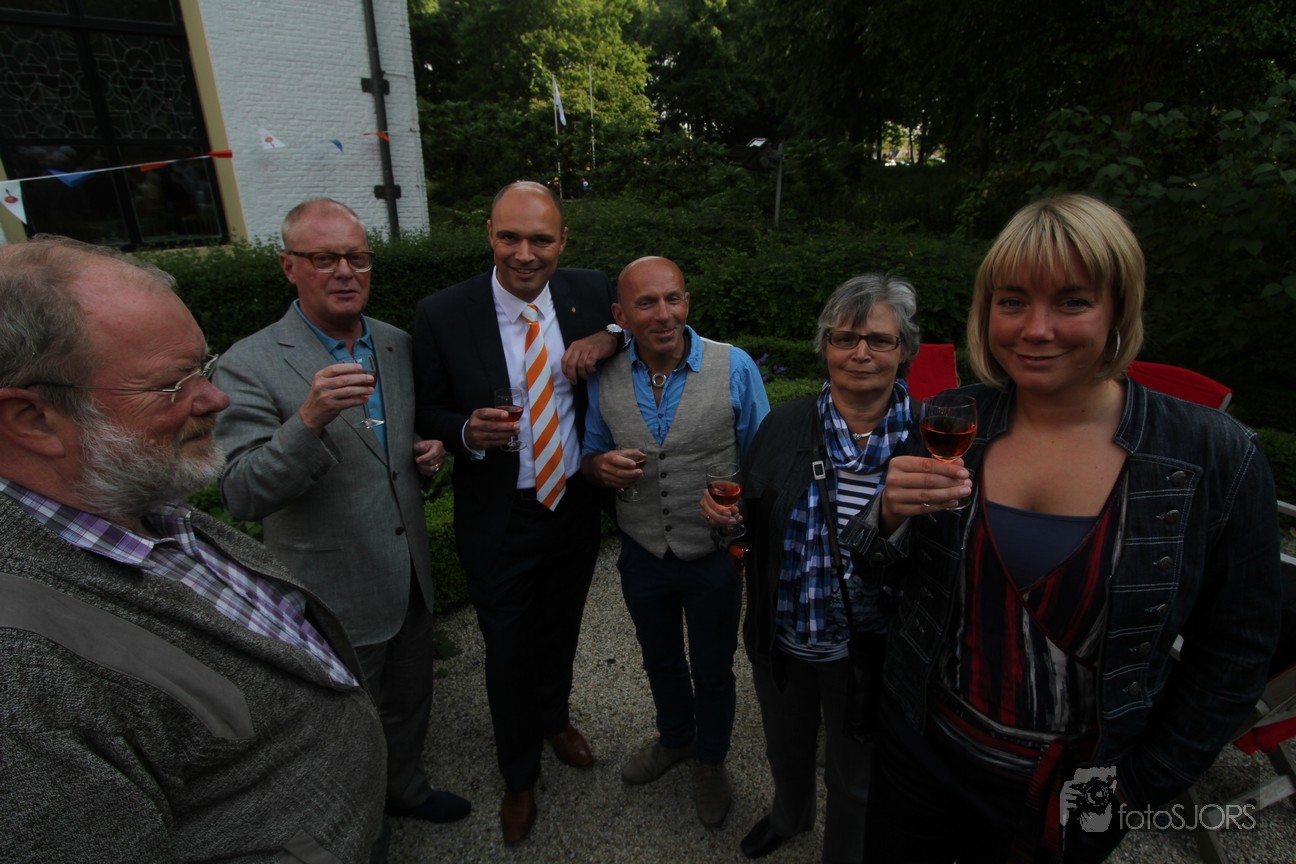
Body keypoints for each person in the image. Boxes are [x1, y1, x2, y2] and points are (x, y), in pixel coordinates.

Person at [840, 194, 1282, 863]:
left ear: (1118, 310)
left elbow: (1236, 652)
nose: (1036, 328)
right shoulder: (955, 416)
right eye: (1013, 301)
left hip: (1075, 784)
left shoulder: (1214, 454)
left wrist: (1130, 791)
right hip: (920, 751)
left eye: (1072, 302)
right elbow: (881, 579)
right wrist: (888, 517)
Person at [0, 236, 385, 862]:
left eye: (203, 367)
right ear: (33, 419)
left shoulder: (134, 499)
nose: (214, 398)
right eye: (171, 385)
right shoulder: (17, 673)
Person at [212, 199, 469, 856]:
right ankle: (360, 830)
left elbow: (389, 459)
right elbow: (242, 493)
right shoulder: (248, 362)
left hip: (407, 576)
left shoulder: (396, 343)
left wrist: (424, 457)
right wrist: (307, 421)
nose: (346, 271)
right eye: (324, 258)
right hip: (330, 591)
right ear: (288, 267)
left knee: (410, 700)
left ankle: (405, 788)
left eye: (357, 256)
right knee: (343, 726)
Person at [412, 180, 621, 844]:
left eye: (540, 239)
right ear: (489, 234)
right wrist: (464, 431)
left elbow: (643, 321)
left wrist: (610, 335)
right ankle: (519, 775)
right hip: (498, 516)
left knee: (560, 630)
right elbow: (426, 410)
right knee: (506, 651)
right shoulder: (442, 313)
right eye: (509, 237)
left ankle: (555, 718)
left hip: (573, 505)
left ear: (563, 241)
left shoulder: (590, 290)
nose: (524, 253)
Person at [723, 274, 920, 862]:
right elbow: (749, 523)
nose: (861, 352)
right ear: (825, 347)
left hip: (873, 652)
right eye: (845, 338)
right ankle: (790, 815)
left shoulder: (930, 441)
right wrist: (728, 523)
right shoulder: (783, 425)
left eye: (879, 340)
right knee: (784, 749)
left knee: (855, 773)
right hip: (784, 637)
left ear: (904, 350)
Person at [583, 256, 770, 827]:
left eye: (673, 299)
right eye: (646, 303)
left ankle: (711, 759)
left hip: (712, 556)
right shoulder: (604, 375)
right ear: (621, 315)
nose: (663, 314)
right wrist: (599, 468)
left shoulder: (734, 366)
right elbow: (589, 454)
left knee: (713, 666)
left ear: (687, 302)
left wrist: (738, 518)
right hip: (641, 551)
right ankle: (675, 738)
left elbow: (763, 466)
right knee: (659, 657)